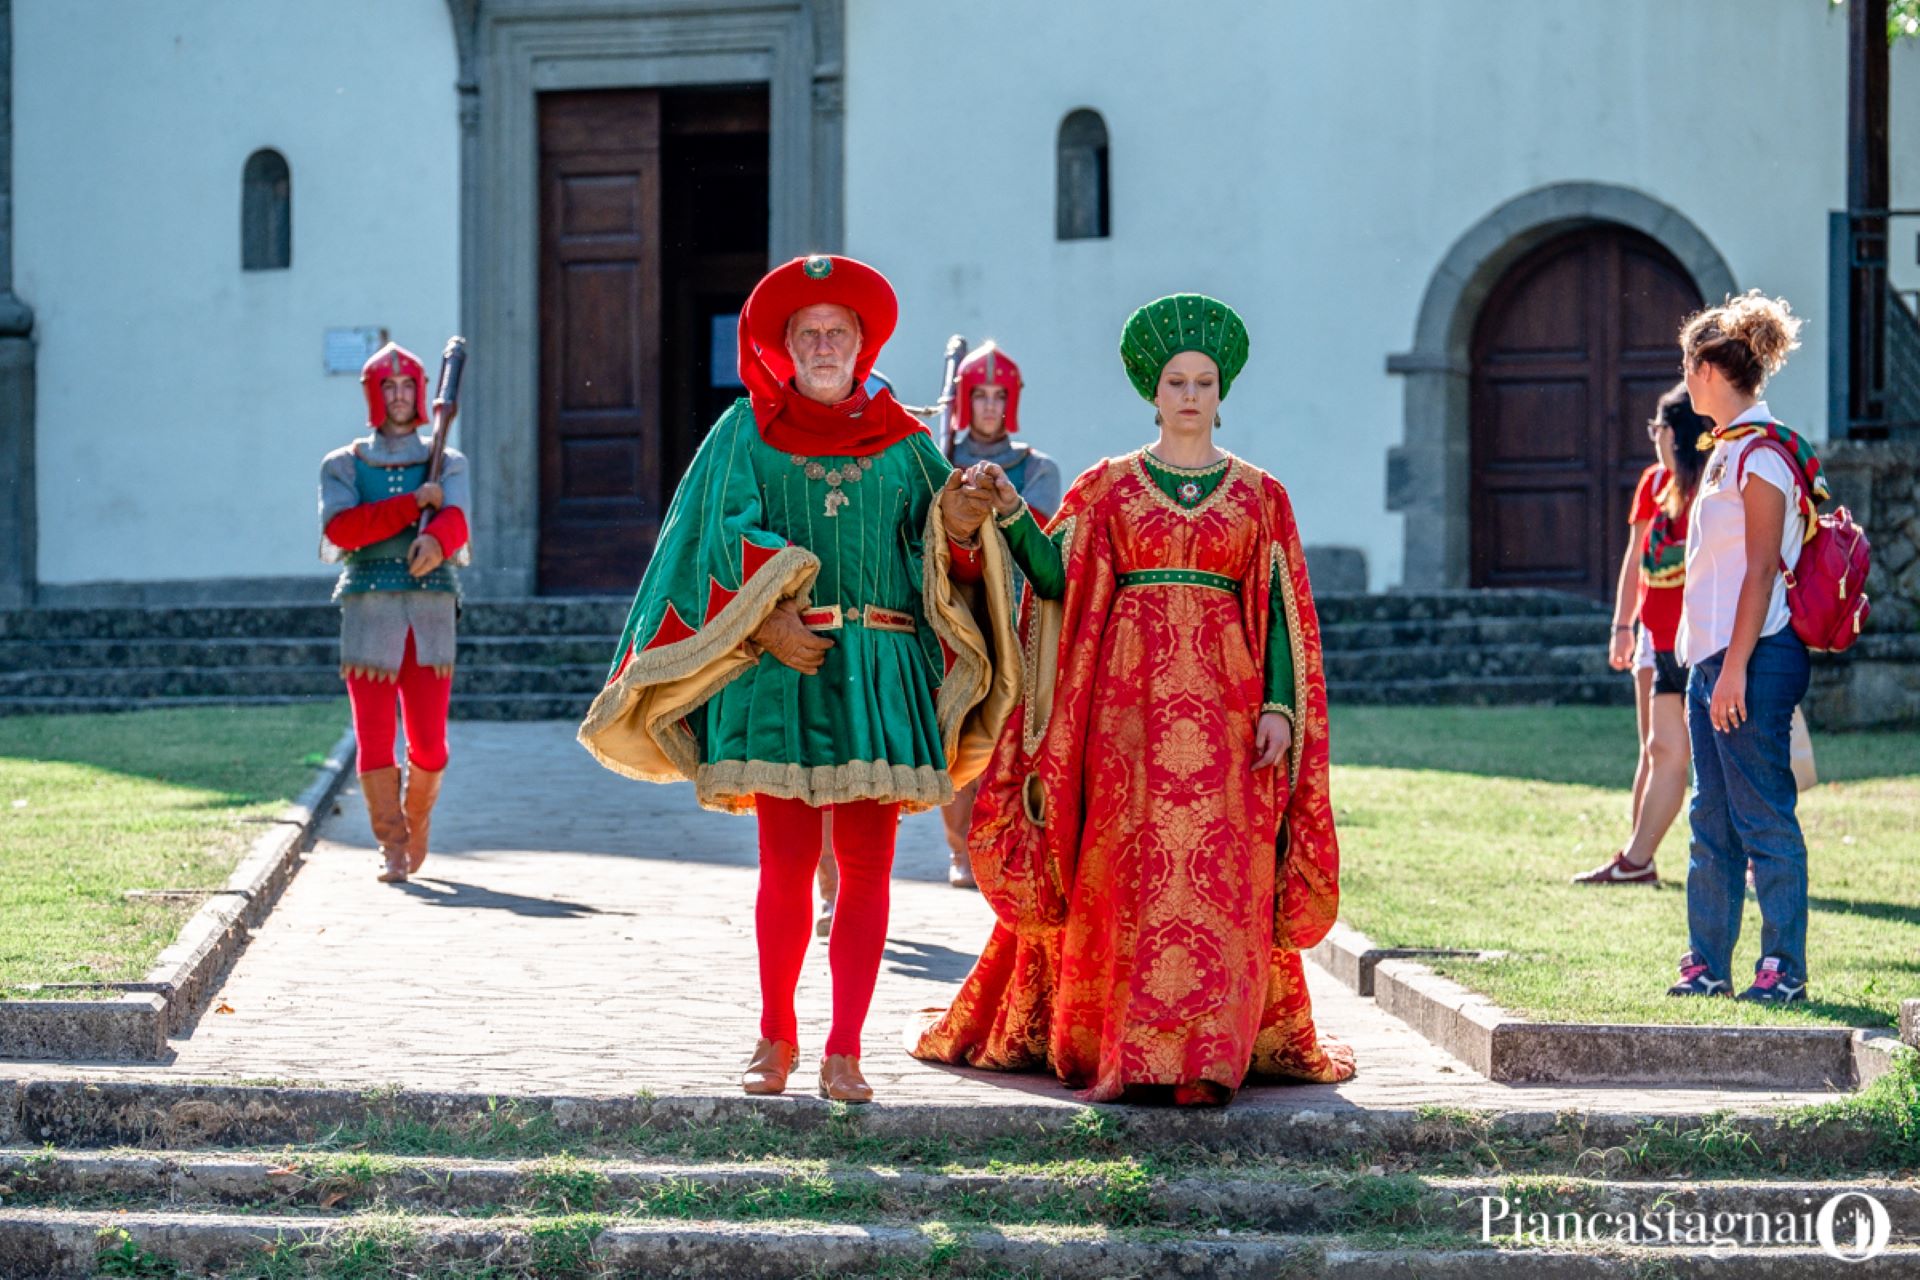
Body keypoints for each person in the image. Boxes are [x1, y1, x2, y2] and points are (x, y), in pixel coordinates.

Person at [578, 255, 1027, 1103]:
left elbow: (945, 558)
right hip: (778, 669)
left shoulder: (907, 441)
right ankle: (775, 1037)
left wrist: (964, 521)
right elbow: (713, 536)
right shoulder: (742, 432)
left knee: (865, 866)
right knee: (784, 865)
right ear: (785, 347)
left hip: (878, 678)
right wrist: (765, 617)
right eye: (809, 334)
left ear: (863, 345)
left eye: (839, 332)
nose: (825, 345)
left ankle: (845, 1050)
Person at [913, 294, 1354, 1104]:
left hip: (1227, 712)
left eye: (1204, 382)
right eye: (1176, 382)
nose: (1189, 395)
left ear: (1222, 394)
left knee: (1218, 872)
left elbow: (1287, 616)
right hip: (1121, 716)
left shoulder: (1261, 495)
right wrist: (1010, 518)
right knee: (1130, 869)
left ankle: (1205, 1057)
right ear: (1153, 393)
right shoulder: (1108, 486)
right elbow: (1053, 580)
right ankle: (1126, 1043)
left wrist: (1281, 710)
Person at [1667, 291, 1821, 1006]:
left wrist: (1730, 670)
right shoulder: (1731, 450)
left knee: (1762, 813)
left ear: (1706, 367)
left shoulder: (1762, 455)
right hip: (1717, 661)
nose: (1682, 380)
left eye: (1685, 365)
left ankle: (1783, 967)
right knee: (1711, 816)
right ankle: (1707, 963)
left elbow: (1759, 570)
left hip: (1753, 659)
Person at [317, 342, 469, 884]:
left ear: (423, 393)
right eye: (390, 387)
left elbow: (458, 520)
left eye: (408, 387)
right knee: (375, 735)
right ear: (374, 394)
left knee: (429, 741)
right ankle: (393, 845)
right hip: (368, 607)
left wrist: (436, 539)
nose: (400, 396)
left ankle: (417, 821)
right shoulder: (342, 464)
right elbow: (342, 530)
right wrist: (410, 506)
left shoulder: (447, 461)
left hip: (429, 609)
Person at [1574, 385, 1710, 886]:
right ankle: (1637, 857)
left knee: (1707, 755)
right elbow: (1636, 558)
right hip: (1658, 635)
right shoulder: (1654, 483)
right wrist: (1623, 625)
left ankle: (1742, 861)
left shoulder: (1710, 488)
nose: (1653, 438)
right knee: (1656, 749)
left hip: (1703, 639)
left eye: (1657, 429)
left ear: (1674, 434)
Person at [941, 340, 1061, 889]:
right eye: (979, 395)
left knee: (1016, 731)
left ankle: (1013, 841)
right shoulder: (936, 454)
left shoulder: (1037, 467)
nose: (989, 406)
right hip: (957, 613)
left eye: (998, 396)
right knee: (959, 732)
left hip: (1015, 612)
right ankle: (960, 849)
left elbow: (1040, 533)